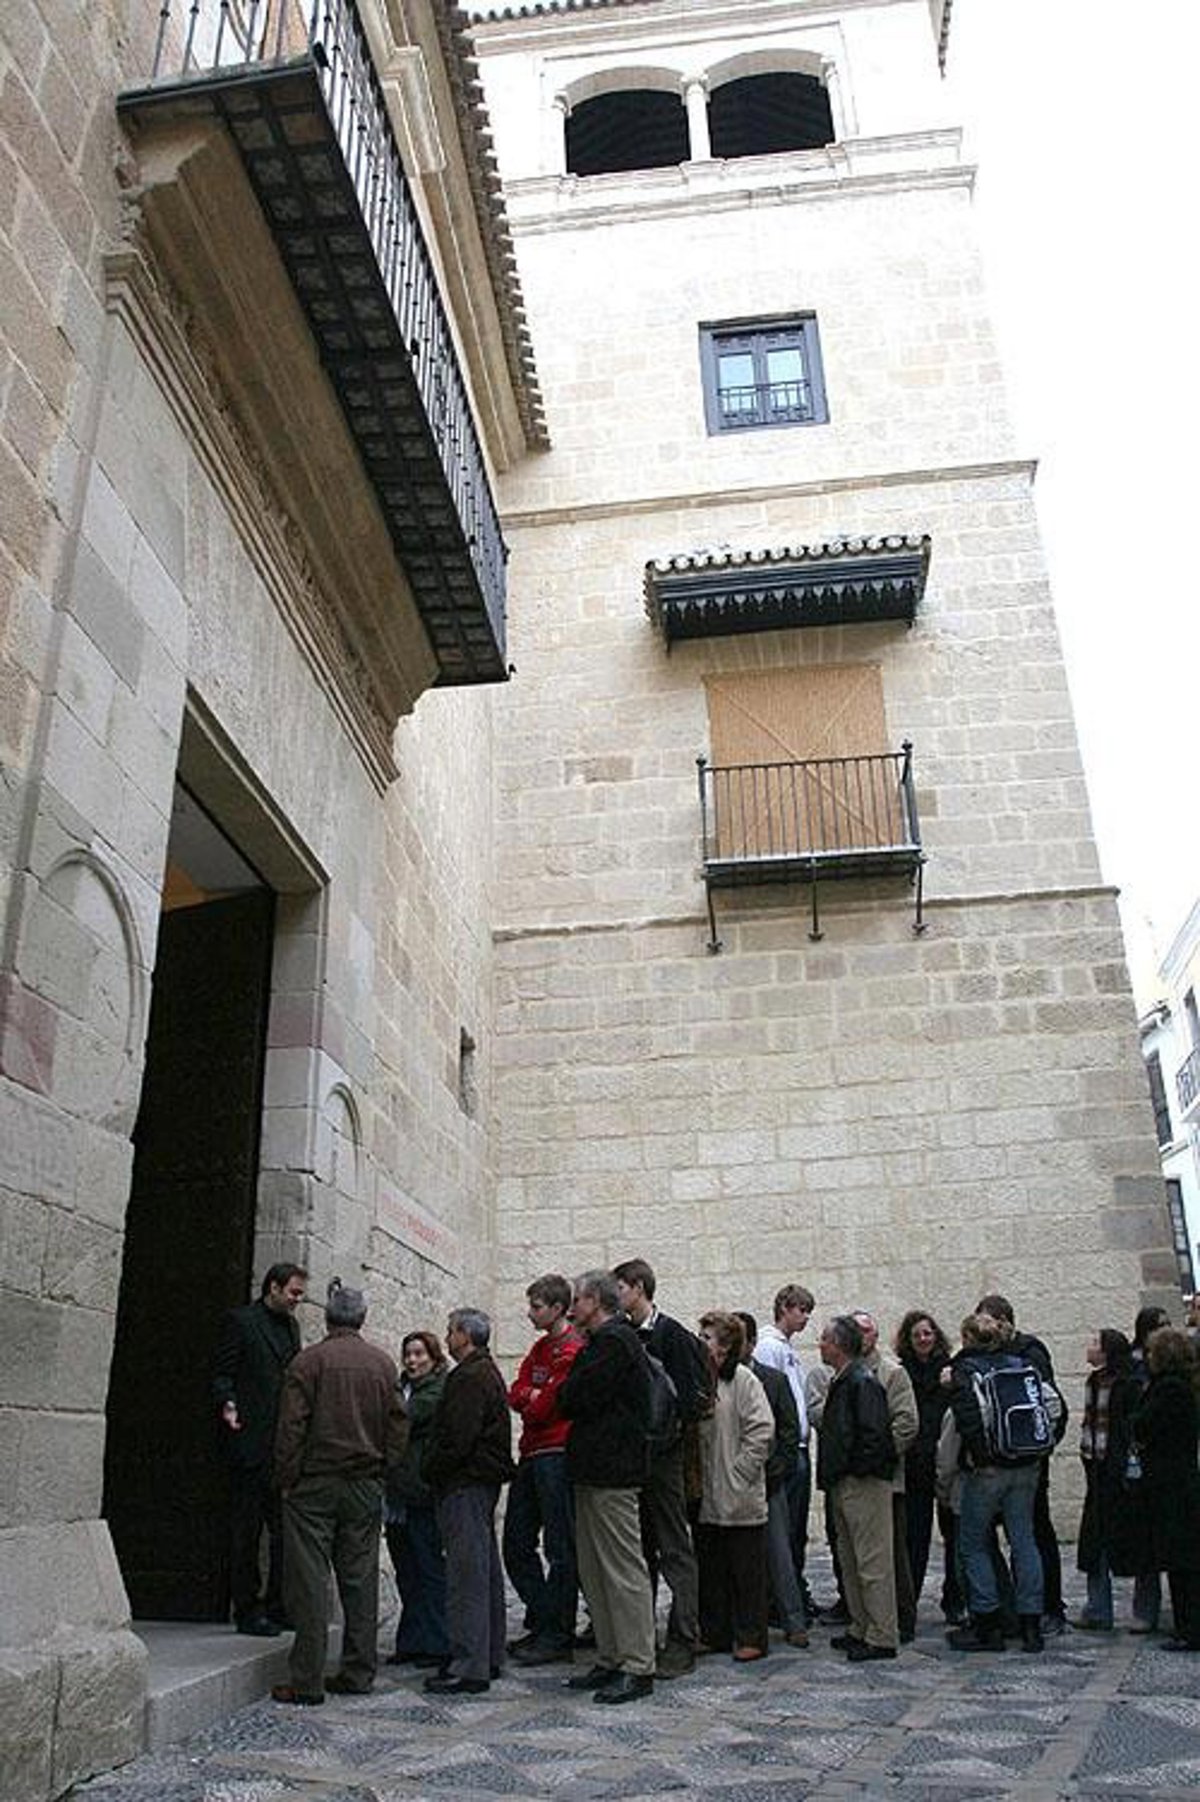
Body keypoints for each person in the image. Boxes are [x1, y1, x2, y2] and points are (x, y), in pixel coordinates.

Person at [272, 1279, 407, 1704]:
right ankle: (358, 1671)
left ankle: (307, 1679)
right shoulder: (382, 1365)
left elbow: (292, 1425)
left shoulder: (308, 1361)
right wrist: (384, 1468)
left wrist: (287, 1477)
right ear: (361, 1318)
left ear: (328, 1318)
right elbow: (398, 1424)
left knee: (310, 1580)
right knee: (360, 1579)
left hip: (315, 1481)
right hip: (364, 1482)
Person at [559, 1268, 656, 1704]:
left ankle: (637, 1664)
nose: (572, 1308)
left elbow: (574, 1397)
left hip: (614, 1473)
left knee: (621, 1570)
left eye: (577, 1300)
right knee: (596, 1571)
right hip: (593, 1471)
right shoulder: (600, 1343)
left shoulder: (616, 1341)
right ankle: (612, 1655)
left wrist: (570, 1388)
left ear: (596, 1301)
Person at [613, 1257, 710, 1678]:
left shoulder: (672, 1335)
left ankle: (683, 1638)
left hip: (665, 1459)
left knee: (674, 1548)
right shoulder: (622, 1334)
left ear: (638, 1287)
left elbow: (689, 1400)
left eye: (620, 1287)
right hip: (633, 1460)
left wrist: (665, 1437)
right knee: (639, 1552)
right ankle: (640, 1637)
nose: (616, 1294)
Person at [421, 1307, 515, 1695]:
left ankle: (469, 1664)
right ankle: (486, 1654)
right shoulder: (483, 1372)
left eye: (451, 1331)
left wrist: (430, 1467)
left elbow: (458, 1438)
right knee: (481, 1568)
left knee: (466, 1574)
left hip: (465, 1483)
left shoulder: (469, 1377)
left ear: (465, 1335)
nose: (447, 1337)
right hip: (477, 1481)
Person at [212, 1261, 307, 1636]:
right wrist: (228, 1402)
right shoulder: (241, 1322)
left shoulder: (292, 1327)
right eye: (294, 1292)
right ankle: (247, 1609)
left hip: (282, 1447)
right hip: (250, 1444)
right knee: (247, 1532)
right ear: (274, 1287)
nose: (297, 1300)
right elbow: (223, 1373)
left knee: (283, 1532)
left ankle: (277, 1604)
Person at [947, 1312, 1045, 1655]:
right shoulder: (1021, 1364)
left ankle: (988, 1624)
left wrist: (981, 1456)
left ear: (967, 1338)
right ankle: (1032, 1625)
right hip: (1026, 1464)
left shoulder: (965, 1370)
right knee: (1024, 1541)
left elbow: (968, 1418)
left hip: (989, 1469)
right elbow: (1051, 1407)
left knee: (972, 1545)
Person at [504, 1273, 583, 1665]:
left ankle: (558, 1632)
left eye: (536, 1307)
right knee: (516, 1543)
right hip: (532, 1453)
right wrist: (532, 1396)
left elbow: (546, 1405)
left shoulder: (572, 1349)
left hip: (556, 1453)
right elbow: (516, 1392)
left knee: (560, 1547)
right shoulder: (539, 1349)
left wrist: (533, 1398)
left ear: (557, 1308)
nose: (530, 1313)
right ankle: (544, 1616)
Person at [976, 1292, 1066, 1635]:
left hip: (1026, 1459)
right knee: (1023, 1536)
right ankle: (1020, 1609)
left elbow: (1050, 1404)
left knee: (1033, 1534)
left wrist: (1043, 1448)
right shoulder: (995, 1353)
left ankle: (1048, 1607)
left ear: (1003, 1321)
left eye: (987, 1321)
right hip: (1005, 1459)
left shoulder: (1029, 1352)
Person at [815, 1315, 899, 1661]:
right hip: (845, 1480)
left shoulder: (862, 1382)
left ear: (838, 1345)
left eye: (824, 1338)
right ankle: (860, 1626)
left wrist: (855, 1470)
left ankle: (881, 1635)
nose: (820, 1344)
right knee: (851, 1560)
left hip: (862, 1483)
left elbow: (874, 1435)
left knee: (871, 1562)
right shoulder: (846, 1379)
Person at [695, 1311, 774, 1661]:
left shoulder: (744, 1380)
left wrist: (741, 1472)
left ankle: (751, 1636)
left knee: (747, 1571)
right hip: (709, 1494)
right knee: (712, 1569)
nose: (701, 1342)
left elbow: (761, 1429)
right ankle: (715, 1632)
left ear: (725, 1345)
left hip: (739, 1494)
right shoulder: (702, 1379)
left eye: (707, 1337)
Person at [734, 1310, 809, 1647]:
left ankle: (793, 1621)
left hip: (767, 1480)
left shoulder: (773, 1380)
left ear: (751, 1343)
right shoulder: (716, 1378)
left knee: (779, 1553)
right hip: (730, 1482)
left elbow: (788, 1432)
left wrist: (773, 1473)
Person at [1132, 1325, 1200, 1651]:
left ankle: (1190, 1628)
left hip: (1171, 1483)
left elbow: (1144, 1424)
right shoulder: (1184, 1385)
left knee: (1181, 1560)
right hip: (1178, 1479)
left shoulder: (1169, 1389)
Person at [385, 1330, 450, 1668]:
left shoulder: (436, 1390)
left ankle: (437, 1643)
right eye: (408, 1354)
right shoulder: (401, 1389)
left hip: (422, 1491)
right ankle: (411, 1640)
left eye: (419, 1354)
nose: (412, 1361)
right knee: (406, 1571)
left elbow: (403, 1418)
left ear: (433, 1358)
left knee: (429, 1568)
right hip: (397, 1493)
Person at [1074, 1327, 1145, 1632]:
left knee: (1132, 1540)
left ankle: (1144, 1611)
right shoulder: (1093, 1381)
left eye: (1095, 1343)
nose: (1089, 1346)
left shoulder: (1128, 1384)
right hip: (1096, 1467)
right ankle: (1098, 1609)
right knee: (1095, 1541)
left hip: (1120, 1470)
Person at [895, 1309, 963, 1626]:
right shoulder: (902, 1373)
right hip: (916, 1464)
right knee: (915, 1537)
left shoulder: (950, 1370)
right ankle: (908, 1602)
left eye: (928, 1333)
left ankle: (955, 1600)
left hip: (947, 1460)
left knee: (954, 1536)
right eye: (917, 1335)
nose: (923, 1339)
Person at [854, 1312, 918, 1641]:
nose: (861, 1335)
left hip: (885, 1479)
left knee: (892, 1554)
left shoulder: (892, 1374)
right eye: (855, 1329)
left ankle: (902, 1618)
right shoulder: (840, 1373)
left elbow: (906, 1424)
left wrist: (875, 1458)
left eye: (866, 1329)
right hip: (852, 1481)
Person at [754, 1283, 816, 1618]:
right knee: (786, 1530)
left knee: (796, 1530)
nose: (805, 1317)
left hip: (799, 1447)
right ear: (784, 1308)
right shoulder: (770, 1347)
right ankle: (782, 1598)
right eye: (801, 1310)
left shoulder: (785, 1347)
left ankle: (793, 1591)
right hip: (788, 1450)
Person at [1127, 1305, 1170, 1632]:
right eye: (1158, 1326)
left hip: (1168, 1463)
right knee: (1146, 1541)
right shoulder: (1135, 1366)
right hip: (1143, 1463)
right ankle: (1146, 1609)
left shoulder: (1174, 1370)